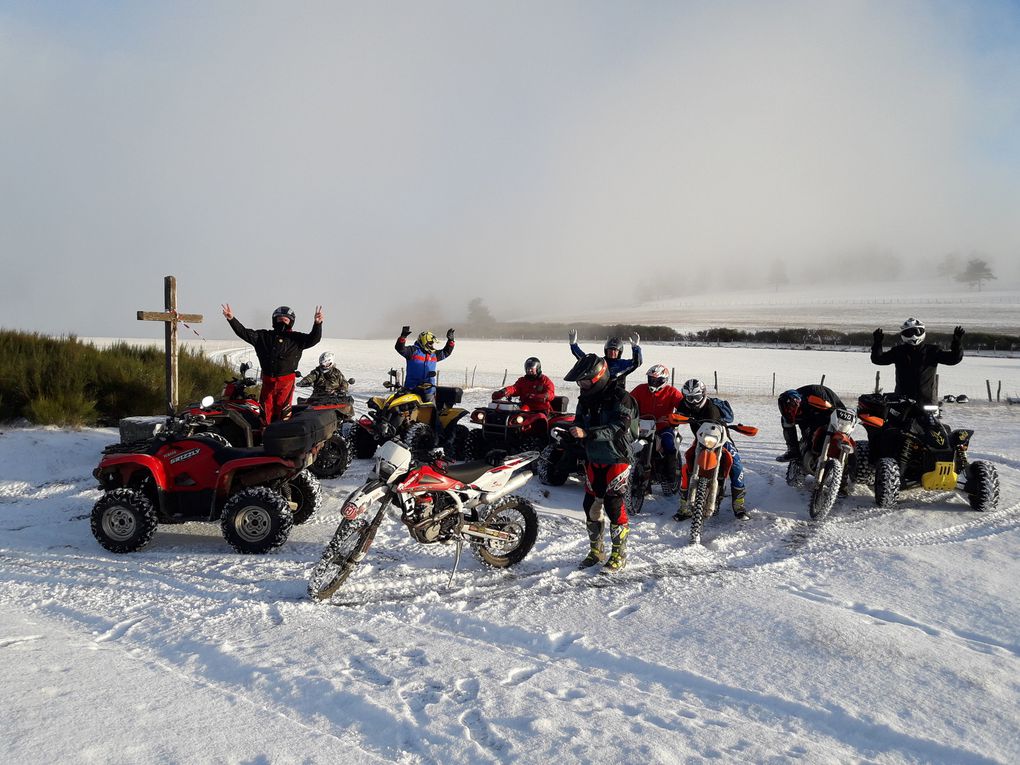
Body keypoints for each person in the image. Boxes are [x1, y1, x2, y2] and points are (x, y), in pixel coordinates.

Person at [564, 353, 640, 573]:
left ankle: (619, 554)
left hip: (617, 457)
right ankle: (597, 551)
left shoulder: (621, 397)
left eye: (585, 381)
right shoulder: (584, 399)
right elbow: (578, 421)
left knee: (614, 505)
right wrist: (571, 433)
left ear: (599, 377)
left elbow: (619, 428)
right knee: (590, 506)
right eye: (580, 382)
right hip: (593, 457)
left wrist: (586, 433)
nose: (582, 385)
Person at [222, 303, 323, 424]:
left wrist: (317, 324)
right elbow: (244, 332)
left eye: (285, 320)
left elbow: (314, 339)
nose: (282, 321)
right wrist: (231, 319)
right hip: (268, 380)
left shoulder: (296, 338)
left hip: (286, 381)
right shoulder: (263, 336)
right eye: (279, 319)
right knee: (265, 409)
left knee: (283, 411)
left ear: (291, 322)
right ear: (274, 320)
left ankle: (282, 434)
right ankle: (264, 434)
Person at [673, 378, 748, 521]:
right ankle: (684, 507)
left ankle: (739, 505)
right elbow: (676, 417)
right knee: (686, 465)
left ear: (703, 394)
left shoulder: (713, 407)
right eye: (689, 398)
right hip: (701, 440)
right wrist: (674, 421)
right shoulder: (684, 404)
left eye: (696, 397)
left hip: (720, 439)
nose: (693, 401)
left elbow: (729, 419)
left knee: (736, 464)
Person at [871, 318, 964, 405]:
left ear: (922, 332)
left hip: (927, 401)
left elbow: (953, 359)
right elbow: (878, 359)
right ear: (903, 334)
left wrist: (957, 343)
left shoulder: (932, 351)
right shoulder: (898, 351)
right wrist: (877, 343)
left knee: (932, 422)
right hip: (902, 401)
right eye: (909, 333)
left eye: (917, 332)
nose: (914, 336)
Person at [629, 364, 684, 488]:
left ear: (663, 380)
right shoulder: (640, 389)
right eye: (651, 379)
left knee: (669, 443)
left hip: (663, 427)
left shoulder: (671, 392)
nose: (653, 382)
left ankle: (670, 476)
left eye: (656, 380)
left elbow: (683, 405)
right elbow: (629, 401)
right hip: (641, 427)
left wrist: (677, 416)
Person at [776, 385, 846, 463]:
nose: (789, 411)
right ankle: (793, 451)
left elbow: (834, 411)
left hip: (829, 409)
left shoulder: (815, 395)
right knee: (807, 440)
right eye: (786, 409)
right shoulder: (789, 411)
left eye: (790, 408)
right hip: (808, 415)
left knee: (829, 430)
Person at [394, 326, 455, 402]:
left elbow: (446, 352)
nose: (432, 345)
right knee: (405, 409)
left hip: (428, 390)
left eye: (432, 343)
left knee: (430, 410)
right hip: (411, 388)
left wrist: (451, 341)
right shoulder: (413, 351)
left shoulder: (434, 354)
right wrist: (403, 337)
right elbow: (400, 349)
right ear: (423, 342)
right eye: (430, 343)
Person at [568, 329, 642, 380]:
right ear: (606, 350)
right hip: (599, 396)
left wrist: (636, 348)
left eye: (615, 350)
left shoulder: (622, 364)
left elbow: (637, 362)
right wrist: (573, 344)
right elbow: (584, 359)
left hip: (617, 398)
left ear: (619, 352)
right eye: (610, 349)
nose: (612, 352)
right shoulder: (600, 362)